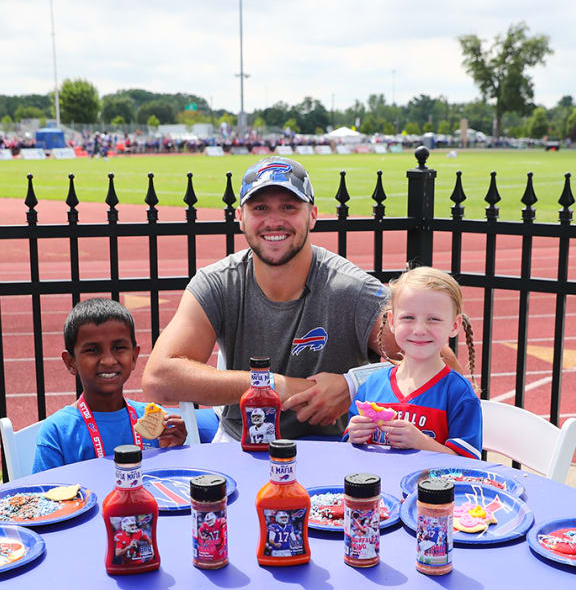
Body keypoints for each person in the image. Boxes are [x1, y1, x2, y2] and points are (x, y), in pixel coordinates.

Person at [142, 156, 458, 441]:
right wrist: (275, 386)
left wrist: (352, 386)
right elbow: (158, 378)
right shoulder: (219, 282)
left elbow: (445, 365)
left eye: (289, 207)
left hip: (337, 445)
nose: (274, 220)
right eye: (260, 208)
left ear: (312, 216)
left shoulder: (349, 288)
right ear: (241, 217)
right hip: (242, 442)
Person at [32, 298, 216, 472]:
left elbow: (169, 484)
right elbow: (45, 499)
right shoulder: (56, 433)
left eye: (119, 347)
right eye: (92, 350)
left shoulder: (158, 423)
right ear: (71, 362)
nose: (109, 360)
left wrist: (172, 451)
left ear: (134, 356)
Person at [344, 266, 482, 458]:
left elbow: (469, 465)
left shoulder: (459, 394)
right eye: (408, 317)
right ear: (392, 321)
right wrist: (353, 436)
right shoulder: (371, 386)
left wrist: (421, 443)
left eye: (433, 319)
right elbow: (348, 452)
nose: (419, 329)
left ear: (454, 325)